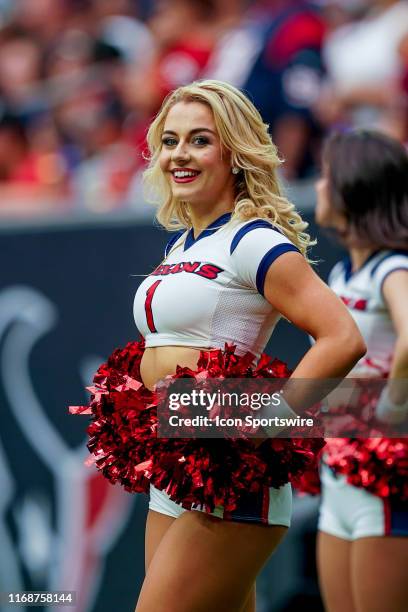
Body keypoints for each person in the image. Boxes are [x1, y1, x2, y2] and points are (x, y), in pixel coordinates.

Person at [125, 80, 365, 612]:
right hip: (175, 460)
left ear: (234, 153)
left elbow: (342, 337)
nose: (179, 154)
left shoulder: (252, 239)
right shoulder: (183, 242)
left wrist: (266, 420)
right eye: (169, 141)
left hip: (226, 471)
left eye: (199, 140)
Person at [314, 129, 408, 612]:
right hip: (338, 476)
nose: (319, 186)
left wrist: (391, 412)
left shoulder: (392, 269)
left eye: (327, 176)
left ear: (355, 185)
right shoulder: (341, 276)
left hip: (385, 482)